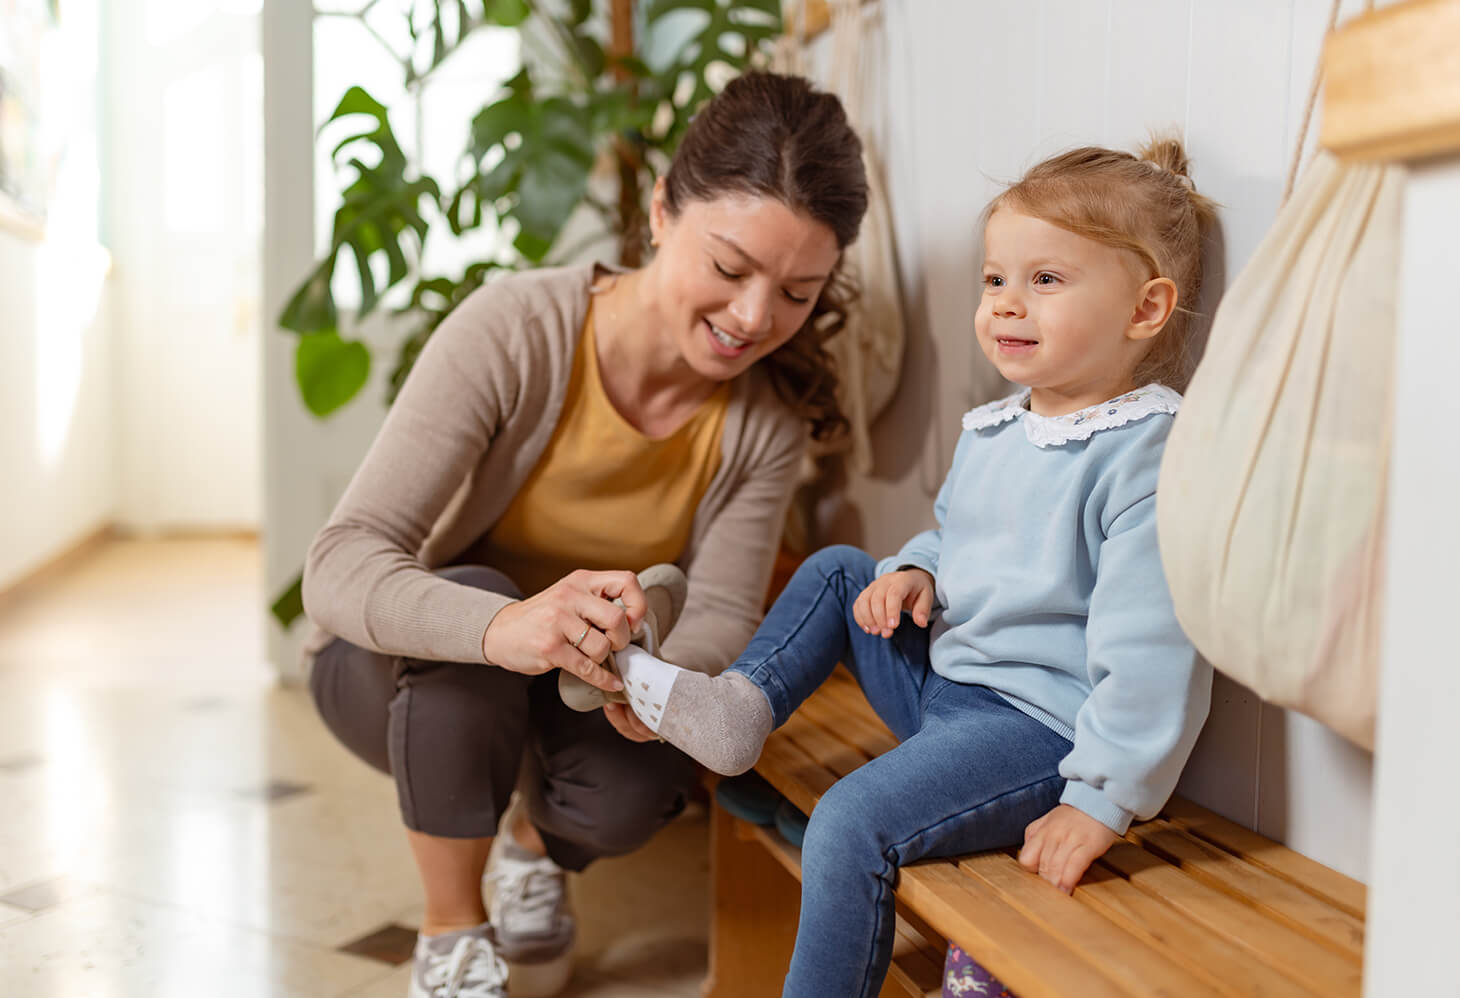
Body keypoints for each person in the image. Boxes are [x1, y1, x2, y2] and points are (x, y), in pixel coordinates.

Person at [593, 139, 1220, 996]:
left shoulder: (1142, 455)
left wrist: (1099, 801)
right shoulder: (1001, 426)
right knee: (844, 569)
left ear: (1146, 310)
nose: (1006, 304)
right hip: (948, 689)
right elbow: (956, 537)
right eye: (996, 279)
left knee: (850, 822)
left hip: (1036, 731)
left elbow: (1152, 656)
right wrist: (918, 572)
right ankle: (739, 711)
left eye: (1046, 281)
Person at [300, 71, 868, 998]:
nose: (755, 318)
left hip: (576, 693)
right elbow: (340, 560)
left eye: (798, 292)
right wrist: (505, 629)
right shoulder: (515, 331)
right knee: (478, 603)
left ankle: (531, 847)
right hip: (404, 679)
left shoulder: (764, 423)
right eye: (729, 269)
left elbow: (722, 609)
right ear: (659, 211)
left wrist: (650, 650)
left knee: (644, 786)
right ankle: (450, 936)